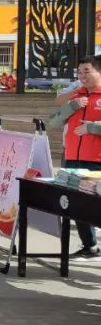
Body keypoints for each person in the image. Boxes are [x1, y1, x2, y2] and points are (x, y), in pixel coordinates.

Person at [50, 56, 101, 258]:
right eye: (79, 72)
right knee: (78, 206)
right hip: (72, 159)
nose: (82, 76)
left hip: (96, 161)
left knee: (96, 207)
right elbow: (53, 122)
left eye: (87, 71)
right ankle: (90, 246)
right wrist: (71, 107)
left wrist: (91, 127)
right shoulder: (76, 96)